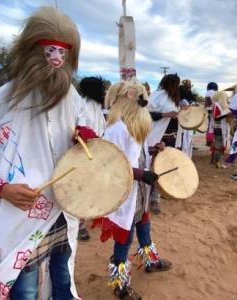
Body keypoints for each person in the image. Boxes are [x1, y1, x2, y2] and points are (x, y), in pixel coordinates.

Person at [0, 7, 97, 300]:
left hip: (61, 212)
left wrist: (83, 139)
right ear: (33, 51)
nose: (57, 59)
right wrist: (2, 188)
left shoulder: (71, 98)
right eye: (50, 51)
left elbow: (84, 139)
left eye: (63, 53)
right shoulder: (3, 100)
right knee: (24, 292)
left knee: (63, 282)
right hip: (18, 222)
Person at [91, 80, 171, 300]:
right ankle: (120, 282)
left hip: (140, 191)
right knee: (125, 237)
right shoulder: (116, 128)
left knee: (144, 225)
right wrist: (141, 175)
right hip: (125, 191)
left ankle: (150, 260)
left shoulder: (134, 125)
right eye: (141, 101)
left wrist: (154, 150)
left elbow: (137, 154)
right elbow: (109, 163)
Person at [77, 76, 107, 241]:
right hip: (84, 154)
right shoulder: (83, 106)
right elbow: (81, 130)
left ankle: (93, 215)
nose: (103, 93)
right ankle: (79, 224)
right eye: (101, 89)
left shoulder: (97, 107)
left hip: (97, 152)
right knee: (83, 188)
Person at [146, 74, 180, 215]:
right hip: (154, 138)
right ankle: (147, 198)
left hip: (169, 138)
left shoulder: (174, 98)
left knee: (163, 169)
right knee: (150, 168)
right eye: (175, 83)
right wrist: (167, 115)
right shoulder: (156, 96)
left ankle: (156, 199)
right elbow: (146, 115)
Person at [211, 91, 230, 169]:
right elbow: (216, 117)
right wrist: (226, 115)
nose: (226, 98)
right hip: (219, 128)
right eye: (225, 96)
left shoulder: (222, 105)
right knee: (219, 145)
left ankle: (217, 161)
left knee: (221, 145)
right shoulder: (216, 105)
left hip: (223, 127)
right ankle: (217, 162)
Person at [175, 85, 195, 158]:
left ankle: (184, 157)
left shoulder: (181, 101)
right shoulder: (185, 101)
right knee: (186, 142)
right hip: (186, 125)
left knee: (184, 142)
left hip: (184, 125)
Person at [204, 82, 218, 148]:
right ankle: (213, 141)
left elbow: (208, 101)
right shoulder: (217, 93)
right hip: (217, 111)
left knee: (210, 126)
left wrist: (206, 108)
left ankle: (209, 141)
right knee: (215, 126)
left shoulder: (209, 92)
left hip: (210, 110)